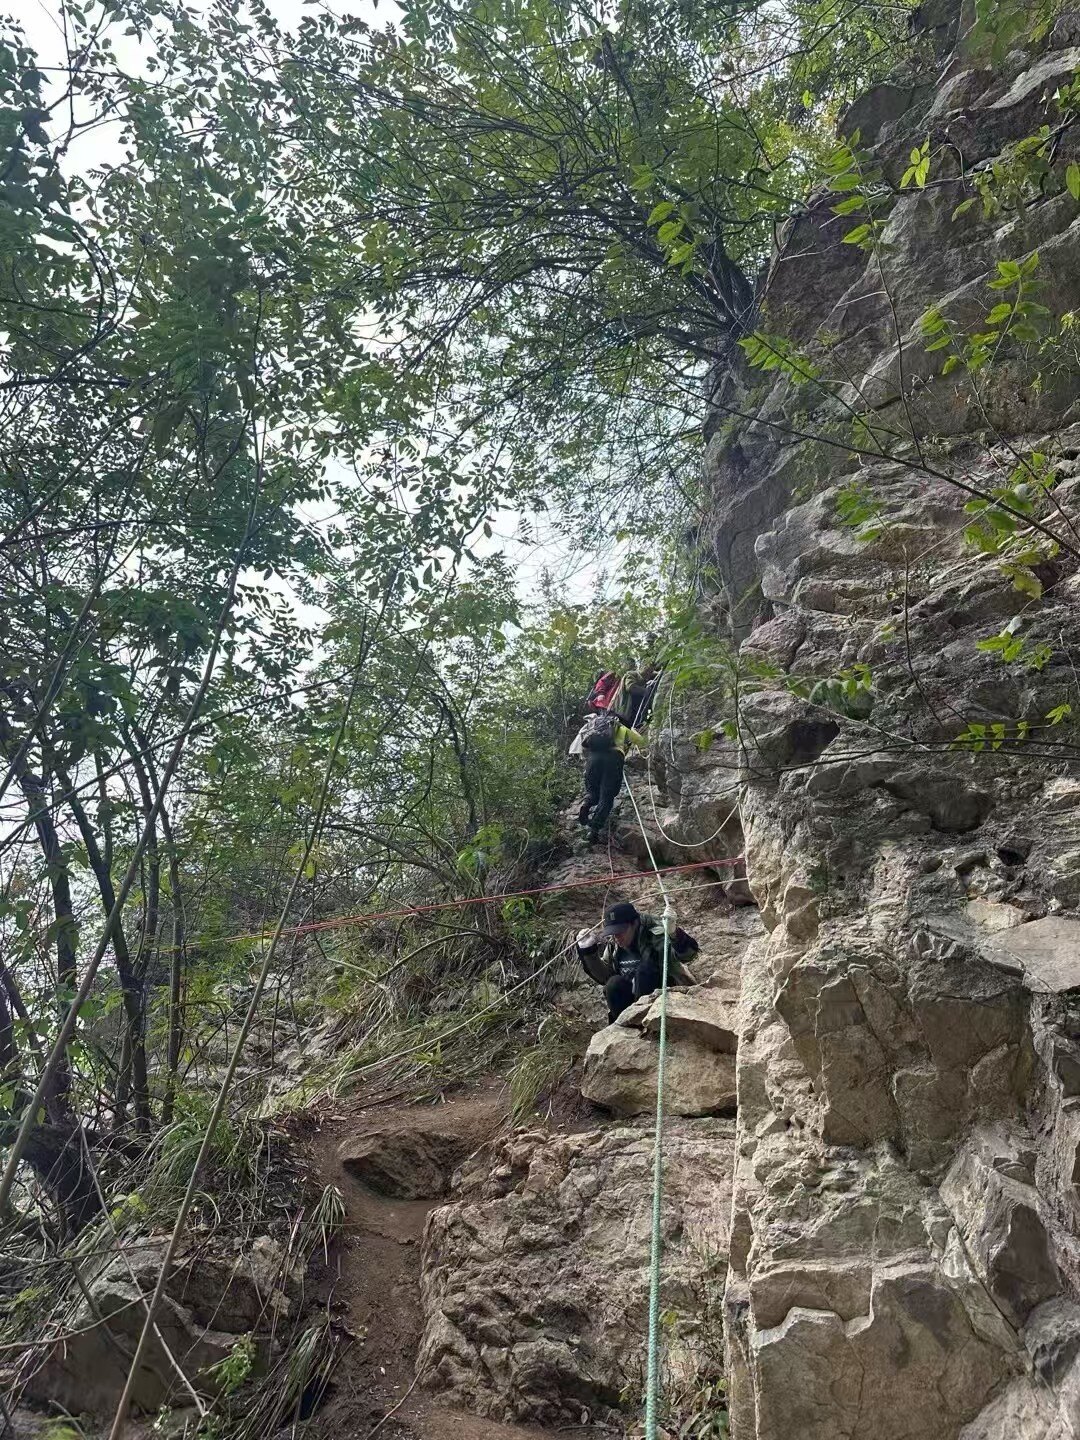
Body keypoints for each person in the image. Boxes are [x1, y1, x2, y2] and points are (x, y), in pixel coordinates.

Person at [576, 901, 699, 1022]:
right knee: (613, 983)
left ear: (634, 923)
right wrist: (588, 952)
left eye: (621, 931)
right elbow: (605, 977)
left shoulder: (656, 936)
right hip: (629, 1007)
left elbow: (688, 956)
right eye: (613, 933)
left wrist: (674, 934)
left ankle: (648, 1024)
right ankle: (624, 1025)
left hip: (662, 1000)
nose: (617, 937)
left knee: (645, 971)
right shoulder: (614, 945)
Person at [576, 712, 644, 843]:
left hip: (593, 758)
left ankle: (586, 804)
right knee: (606, 797)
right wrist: (633, 731)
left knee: (592, 792)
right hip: (613, 760)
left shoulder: (596, 727)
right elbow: (642, 742)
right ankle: (594, 831)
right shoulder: (622, 728)